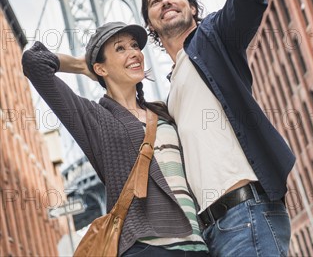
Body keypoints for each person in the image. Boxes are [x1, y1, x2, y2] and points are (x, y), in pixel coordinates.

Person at [140, 0, 296, 257]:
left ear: (193, 8)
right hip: (210, 233)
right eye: (155, 1)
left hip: (247, 215)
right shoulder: (174, 87)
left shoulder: (214, 38)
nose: (165, 1)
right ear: (151, 24)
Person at [22, 21, 209, 256]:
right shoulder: (95, 117)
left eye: (134, 46)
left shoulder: (163, 112)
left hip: (198, 243)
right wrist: (83, 65)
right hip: (147, 246)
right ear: (101, 69)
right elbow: (34, 63)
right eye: (120, 49)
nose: (134, 53)